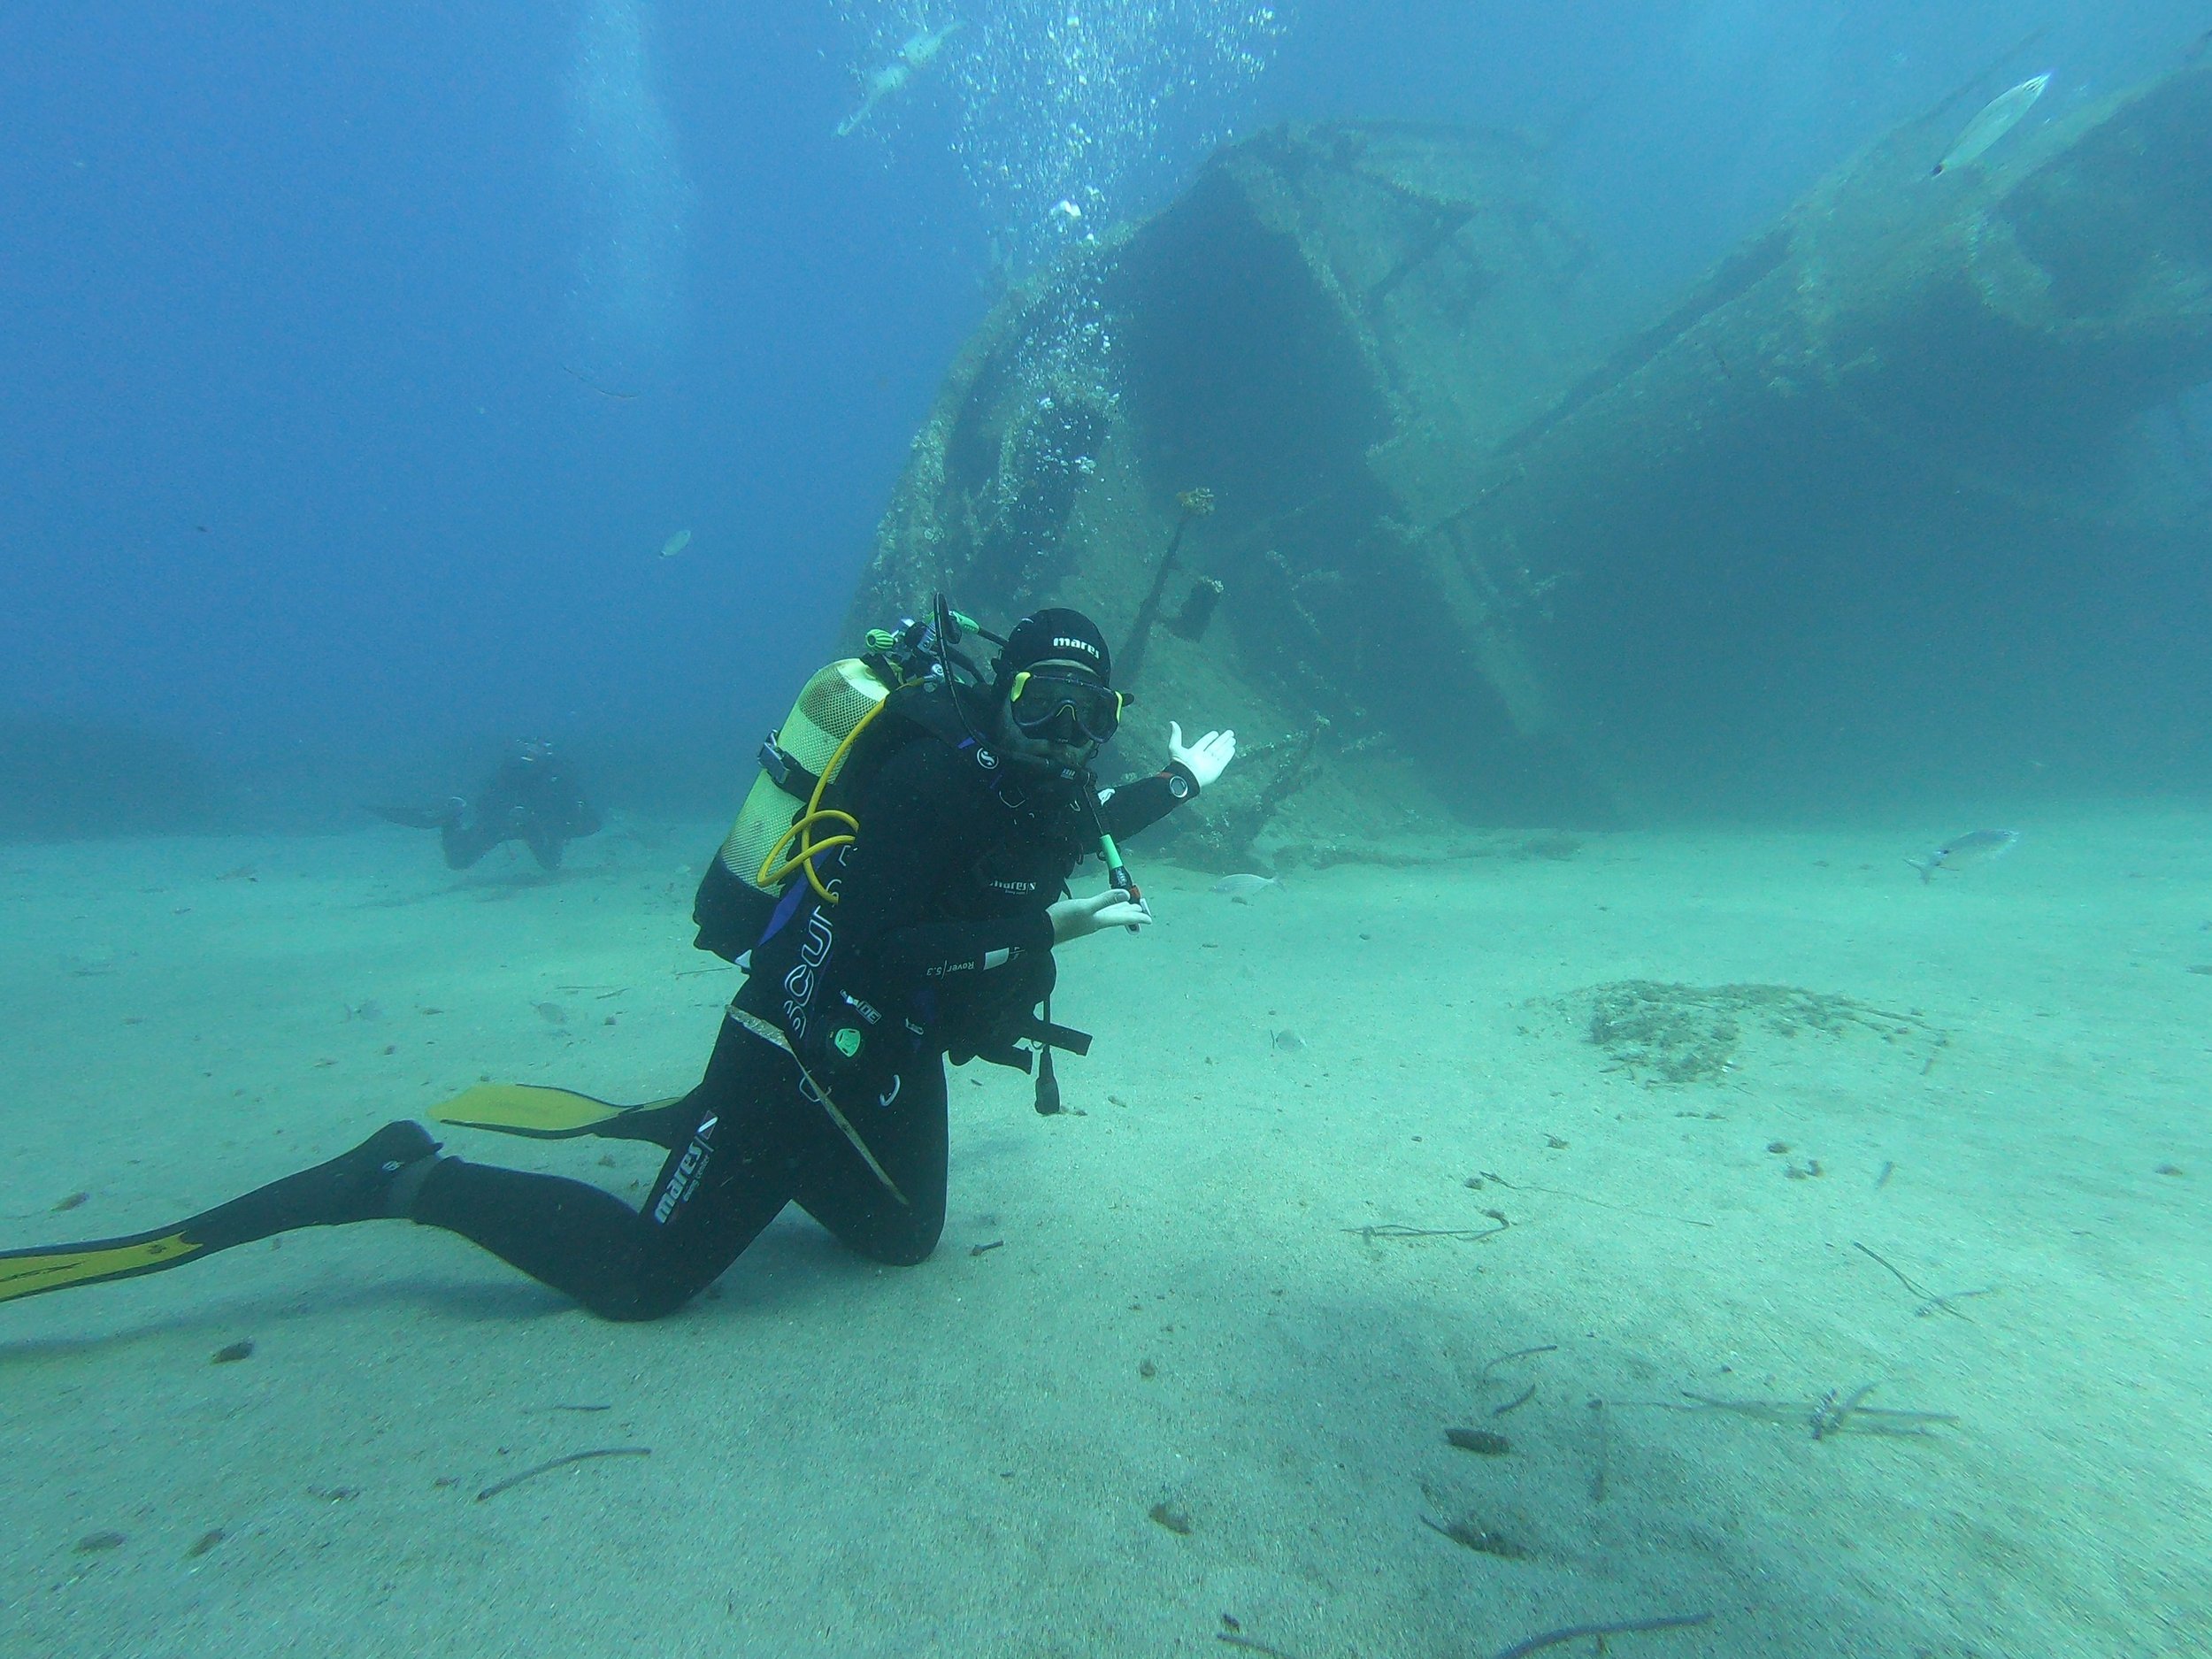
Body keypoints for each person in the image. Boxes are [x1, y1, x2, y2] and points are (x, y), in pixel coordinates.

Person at [1, 609, 1236, 1321]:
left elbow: (1072, 830)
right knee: (645, 1280)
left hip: (885, 1052)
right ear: (998, 699)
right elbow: (874, 943)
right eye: (1044, 708)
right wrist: (1041, 933)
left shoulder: (1043, 793)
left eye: (1089, 719)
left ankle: (702, 1133)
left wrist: (1176, 783)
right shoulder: (925, 782)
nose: (1067, 741)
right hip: (790, 1046)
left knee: (904, 1242)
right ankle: (408, 1173)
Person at [370, 740, 600, 872]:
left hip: (507, 821)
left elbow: (488, 800)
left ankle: (453, 814)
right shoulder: (559, 777)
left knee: (458, 861)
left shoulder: (522, 774)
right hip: (518, 822)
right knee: (551, 863)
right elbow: (585, 820)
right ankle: (453, 814)